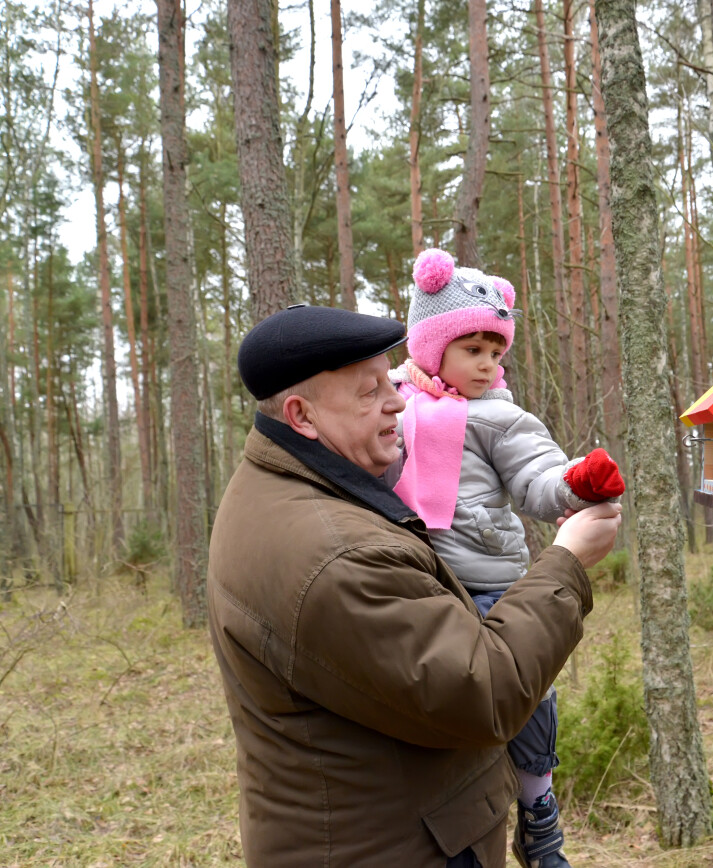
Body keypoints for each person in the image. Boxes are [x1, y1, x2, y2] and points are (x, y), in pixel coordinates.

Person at [207, 303, 621, 868]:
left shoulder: (281, 486)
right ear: (302, 416)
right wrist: (567, 560)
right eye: (369, 390)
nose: (398, 400)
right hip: (398, 847)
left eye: (391, 380)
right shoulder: (336, 554)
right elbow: (484, 689)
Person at [390, 248, 625, 868]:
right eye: (473, 350)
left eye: (496, 351)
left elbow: (537, 479)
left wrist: (577, 485)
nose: (488, 364)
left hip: (489, 580)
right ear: (431, 345)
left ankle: (538, 810)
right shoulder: (392, 404)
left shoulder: (500, 416)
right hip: (414, 579)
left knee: (525, 693)